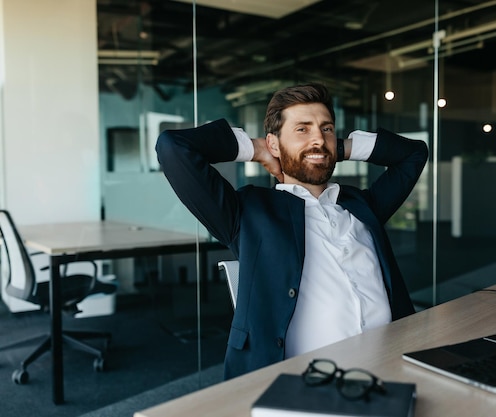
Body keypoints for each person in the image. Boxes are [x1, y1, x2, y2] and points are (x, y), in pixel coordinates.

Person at [156, 83, 429, 379]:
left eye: (325, 129)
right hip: (305, 383)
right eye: (302, 130)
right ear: (274, 144)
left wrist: (338, 147)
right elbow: (173, 148)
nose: (318, 139)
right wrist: (255, 149)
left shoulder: (362, 205)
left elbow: (413, 154)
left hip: (393, 366)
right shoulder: (248, 212)